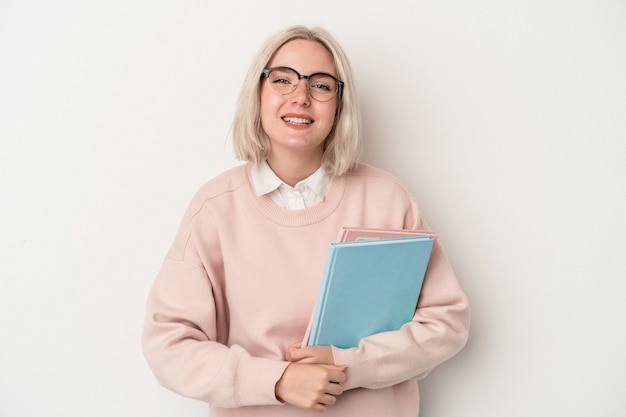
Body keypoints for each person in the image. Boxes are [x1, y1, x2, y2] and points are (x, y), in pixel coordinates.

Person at [142, 25, 470, 417]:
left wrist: (346, 365)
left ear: (339, 104)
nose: (301, 97)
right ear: (258, 94)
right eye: (282, 80)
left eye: (321, 85)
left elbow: (446, 321)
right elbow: (169, 346)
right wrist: (276, 381)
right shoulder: (215, 209)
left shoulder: (386, 198)